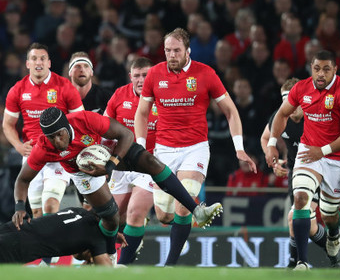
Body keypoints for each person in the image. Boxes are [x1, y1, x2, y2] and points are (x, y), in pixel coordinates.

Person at [12, 107, 223, 263]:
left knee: (152, 163)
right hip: (82, 173)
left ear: (67, 127)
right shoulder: (44, 147)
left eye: (60, 134)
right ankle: (111, 255)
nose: (57, 141)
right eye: (51, 137)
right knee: (111, 218)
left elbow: (126, 134)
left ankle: (196, 210)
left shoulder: (84, 120)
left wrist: (111, 165)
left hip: (106, 152)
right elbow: (22, 179)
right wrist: (20, 207)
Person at [134, 28, 256, 266]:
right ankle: (192, 214)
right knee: (163, 214)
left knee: (184, 206)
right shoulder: (155, 74)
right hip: (164, 150)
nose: (171, 55)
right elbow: (142, 112)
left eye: (176, 50)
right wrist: (140, 146)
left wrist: (238, 147)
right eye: (168, 50)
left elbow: (230, 111)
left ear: (188, 50)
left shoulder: (206, 74)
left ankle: (169, 266)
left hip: (195, 148)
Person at [266, 50, 340, 270]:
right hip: (309, 152)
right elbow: (281, 114)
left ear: (335, 70)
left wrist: (324, 150)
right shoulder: (301, 88)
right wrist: (271, 144)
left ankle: (333, 237)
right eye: (317, 68)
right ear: (311, 68)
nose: (321, 73)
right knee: (300, 199)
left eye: (326, 69)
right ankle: (302, 262)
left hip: (337, 158)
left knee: (329, 215)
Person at [3, 43, 84, 218]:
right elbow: (7, 124)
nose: (38, 62)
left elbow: (81, 121)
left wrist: (69, 146)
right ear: (27, 64)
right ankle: (48, 244)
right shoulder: (17, 90)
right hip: (33, 155)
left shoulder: (65, 87)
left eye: (42, 59)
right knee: (37, 213)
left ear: (49, 63)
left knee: (50, 205)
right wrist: (18, 146)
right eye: (34, 58)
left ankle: (55, 244)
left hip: (58, 155)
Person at [104, 57, 157, 264]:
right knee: (112, 218)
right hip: (122, 164)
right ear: (130, 77)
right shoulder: (119, 95)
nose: (141, 79)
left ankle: (122, 266)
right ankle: (110, 255)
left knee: (135, 212)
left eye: (146, 75)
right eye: (137, 75)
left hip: (150, 164)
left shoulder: (162, 98)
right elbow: (105, 127)